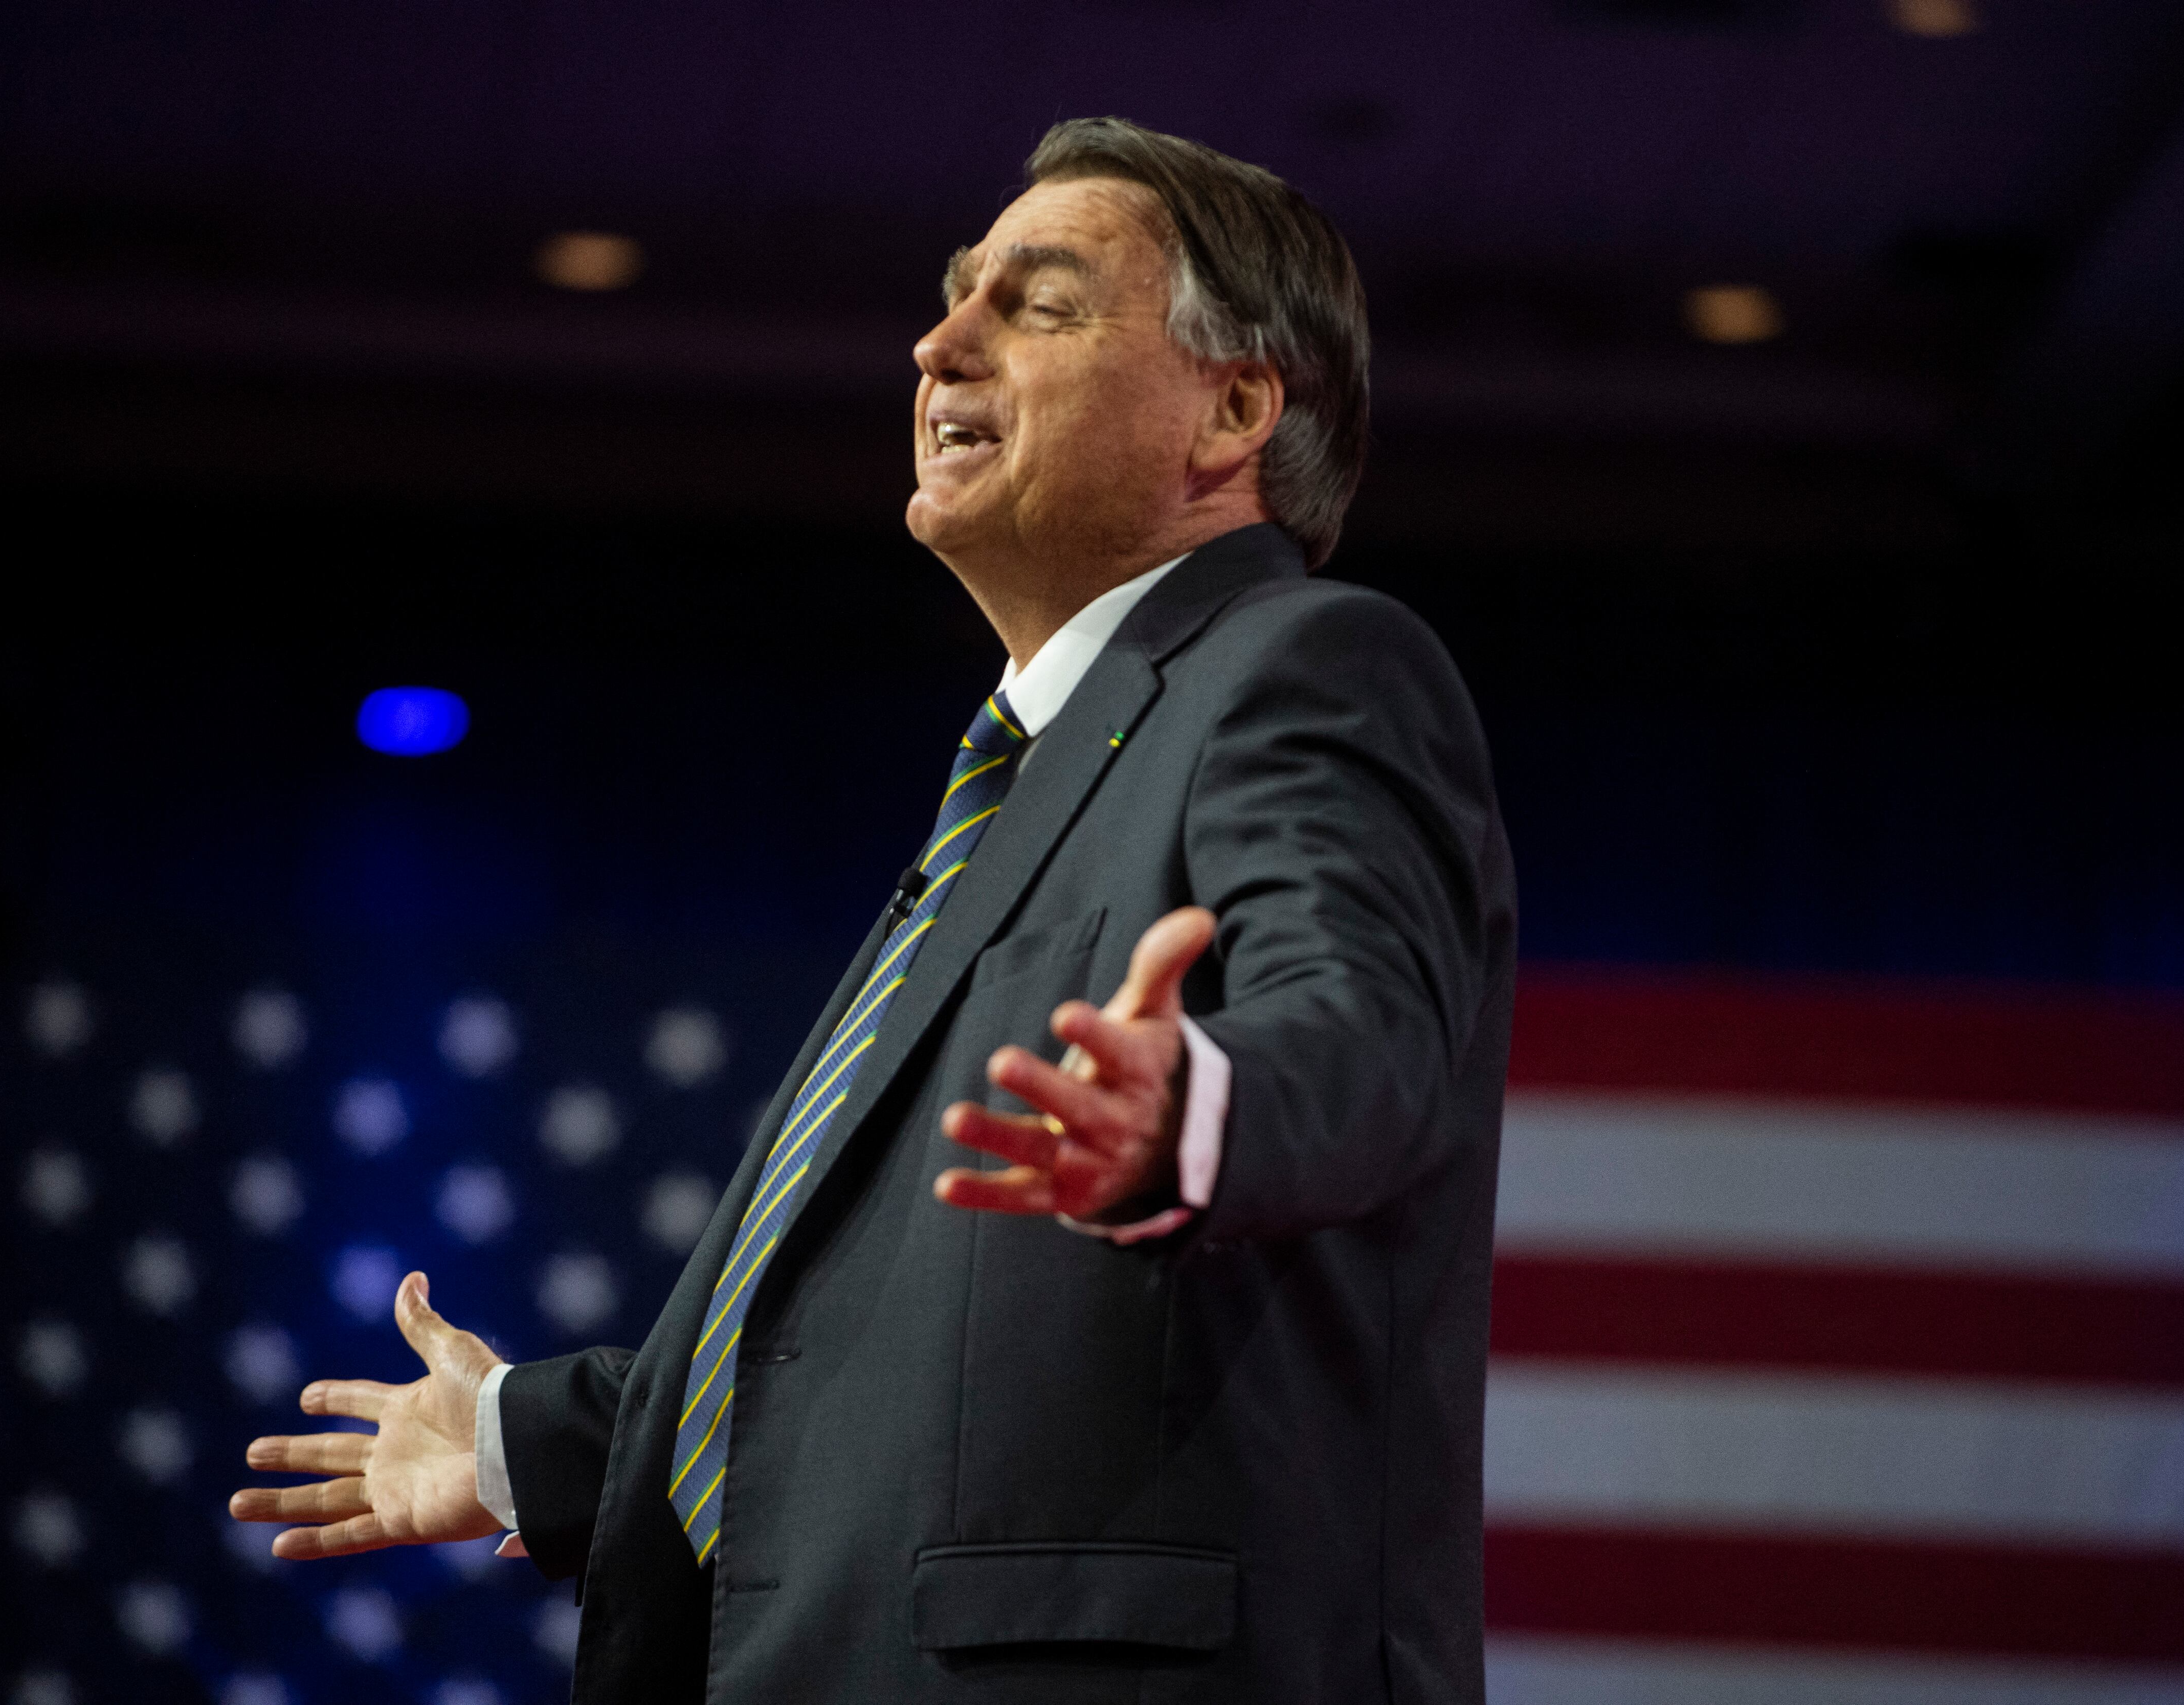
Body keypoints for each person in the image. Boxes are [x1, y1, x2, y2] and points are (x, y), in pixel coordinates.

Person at [232, 116, 1516, 1704]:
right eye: (955, 294)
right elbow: (888, 1351)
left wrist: (1196, 1108)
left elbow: (1367, 1037)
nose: (938, 344)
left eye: (1037, 304)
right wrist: (525, 1446)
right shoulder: (1032, 782)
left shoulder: (1305, 664)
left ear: (1235, 409)